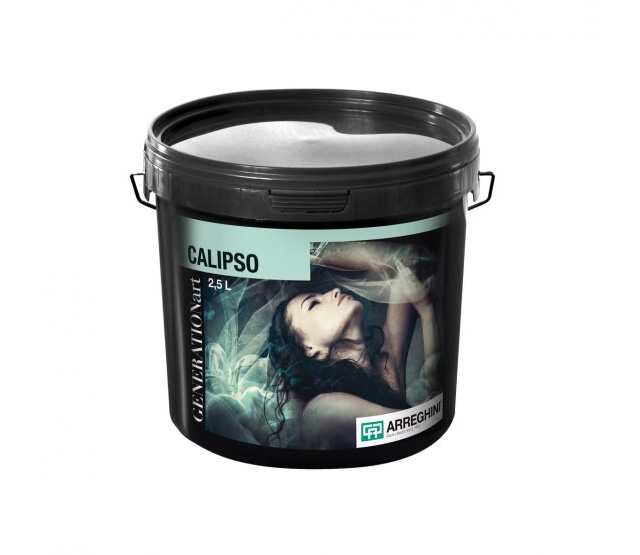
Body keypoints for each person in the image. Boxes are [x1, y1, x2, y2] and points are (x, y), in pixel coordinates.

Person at [267, 243, 439, 449]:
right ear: (309, 348)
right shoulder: (321, 412)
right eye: (314, 304)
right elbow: (414, 429)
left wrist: (310, 251)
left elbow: (405, 258)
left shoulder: (386, 362)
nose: (334, 291)